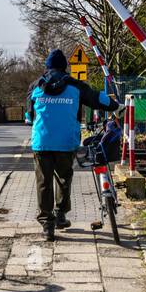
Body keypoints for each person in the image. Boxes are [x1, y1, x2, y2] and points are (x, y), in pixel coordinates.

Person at [26, 48, 119, 240]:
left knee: (44, 182)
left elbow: (28, 115)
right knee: (64, 178)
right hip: (67, 142)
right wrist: (116, 106)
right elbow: (96, 98)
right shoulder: (75, 86)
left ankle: (47, 225)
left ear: (47, 67)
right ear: (64, 67)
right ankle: (60, 215)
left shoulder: (36, 86)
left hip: (41, 142)